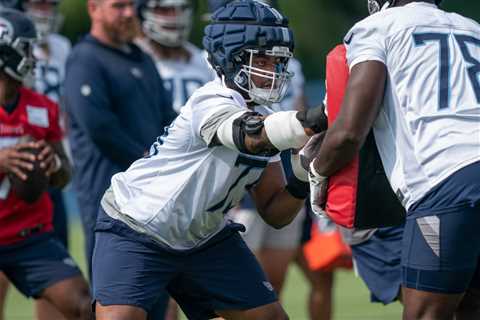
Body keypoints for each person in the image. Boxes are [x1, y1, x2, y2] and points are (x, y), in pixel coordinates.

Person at [92, 1, 327, 319]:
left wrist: (302, 172)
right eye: (264, 59)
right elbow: (250, 136)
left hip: (203, 237)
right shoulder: (211, 100)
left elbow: (275, 211)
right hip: (137, 228)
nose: (274, 69)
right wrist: (315, 120)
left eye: (279, 61)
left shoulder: (269, 119)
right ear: (232, 59)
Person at [309, 0, 480, 319]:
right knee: (470, 306)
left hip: (445, 181)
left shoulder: (378, 27)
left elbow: (348, 132)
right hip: (462, 175)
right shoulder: (472, 28)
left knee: (425, 314)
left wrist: (318, 172)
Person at [64, 0, 176, 281]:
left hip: (154, 198)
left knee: (159, 294)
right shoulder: (84, 58)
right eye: (118, 6)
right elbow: (100, 128)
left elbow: (170, 119)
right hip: (108, 199)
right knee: (116, 296)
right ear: (93, 9)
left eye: (131, 6)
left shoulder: (142, 57)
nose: (129, 13)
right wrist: (150, 164)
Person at [0, 8, 92, 320]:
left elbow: (64, 174)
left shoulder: (41, 106)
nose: (34, 57)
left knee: (83, 305)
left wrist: (52, 164)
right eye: (26, 48)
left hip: (30, 236)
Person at [135, 0, 215, 114]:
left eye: (181, 8)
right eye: (164, 9)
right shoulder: (133, 61)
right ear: (143, 13)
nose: (174, 16)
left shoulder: (204, 60)